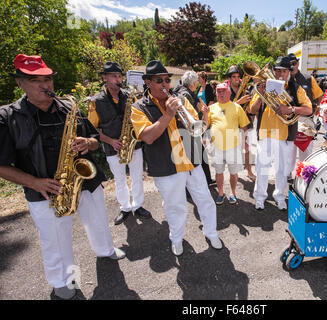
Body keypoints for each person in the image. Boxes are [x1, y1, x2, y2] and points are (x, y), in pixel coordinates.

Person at [0, 54, 125, 300]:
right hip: (46, 188)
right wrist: (34, 182)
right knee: (55, 239)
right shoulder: (8, 117)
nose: (45, 85)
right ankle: (62, 280)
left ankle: (105, 249)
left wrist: (86, 143)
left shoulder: (68, 106)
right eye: (36, 80)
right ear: (20, 84)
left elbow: (94, 140)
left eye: (47, 79)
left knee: (99, 219)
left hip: (84, 180)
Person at [130, 60, 222, 256]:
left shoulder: (180, 99)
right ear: (147, 82)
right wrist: (169, 113)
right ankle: (177, 238)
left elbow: (195, 127)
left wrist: (196, 118)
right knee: (175, 206)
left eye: (167, 80)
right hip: (166, 165)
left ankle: (211, 232)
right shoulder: (139, 107)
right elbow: (148, 136)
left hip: (192, 159)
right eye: (159, 80)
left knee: (205, 199)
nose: (165, 84)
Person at [88, 62, 151, 225]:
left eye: (119, 76)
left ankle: (138, 206)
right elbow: (91, 129)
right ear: (104, 78)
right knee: (120, 180)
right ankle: (125, 208)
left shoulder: (129, 95)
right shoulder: (95, 102)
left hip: (133, 145)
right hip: (112, 147)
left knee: (137, 177)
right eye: (114, 76)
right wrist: (110, 141)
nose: (118, 79)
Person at [248, 56, 312, 211]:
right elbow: (251, 110)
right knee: (262, 167)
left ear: (289, 72)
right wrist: (259, 96)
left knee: (282, 169)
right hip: (265, 133)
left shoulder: (296, 88)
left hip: (285, 135)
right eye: (277, 71)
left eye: (284, 71)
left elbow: (309, 110)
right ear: (274, 72)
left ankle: (280, 196)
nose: (281, 74)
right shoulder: (263, 86)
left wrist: (290, 109)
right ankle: (260, 197)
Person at [203, 82, 250, 205]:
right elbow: (205, 125)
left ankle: (233, 193)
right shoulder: (211, 108)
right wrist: (204, 114)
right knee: (219, 172)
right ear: (216, 93)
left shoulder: (236, 107)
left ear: (229, 92)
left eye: (224, 90)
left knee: (233, 172)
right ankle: (220, 193)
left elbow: (244, 126)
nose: (221, 93)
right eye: (219, 91)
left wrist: (245, 142)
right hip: (216, 146)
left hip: (233, 146)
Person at [173, 70, 215, 186]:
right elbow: (190, 116)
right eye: (196, 81)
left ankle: (206, 180)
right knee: (196, 158)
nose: (197, 83)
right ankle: (199, 183)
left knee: (200, 155)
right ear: (192, 83)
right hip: (189, 132)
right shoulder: (186, 95)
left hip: (190, 131)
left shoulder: (184, 91)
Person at [287, 53, 323, 165]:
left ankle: (304, 176)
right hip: (290, 120)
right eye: (289, 65)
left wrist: (318, 105)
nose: (292, 66)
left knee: (306, 152)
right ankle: (288, 175)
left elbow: (318, 94)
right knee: (289, 152)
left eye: (294, 63)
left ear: (298, 63)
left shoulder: (308, 78)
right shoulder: (285, 80)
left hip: (306, 119)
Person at [226, 65, 256, 181]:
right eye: (234, 77)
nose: (237, 79)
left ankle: (249, 171)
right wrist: (239, 102)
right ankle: (234, 173)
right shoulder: (225, 91)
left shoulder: (245, 89)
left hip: (245, 122)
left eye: (238, 76)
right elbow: (225, 108)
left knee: (247, 149)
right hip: (232, 124)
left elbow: (250, 108)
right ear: (229, 78)